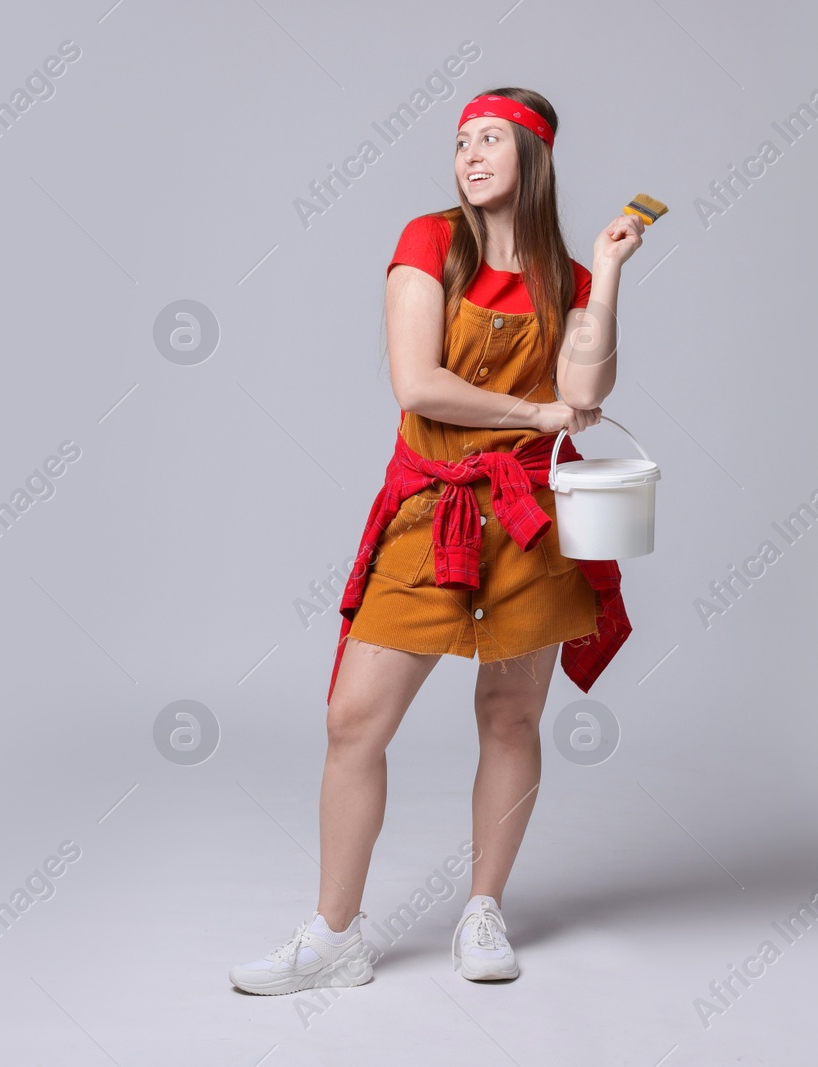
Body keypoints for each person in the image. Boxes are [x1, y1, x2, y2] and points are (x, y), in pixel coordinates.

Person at [229, 87, 646, 995]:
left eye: (490, 139)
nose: (470, 155)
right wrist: (533, 411)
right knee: (353, 721)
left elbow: (588, 388)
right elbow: (417, 385)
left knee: (510, 716)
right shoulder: (431, 243)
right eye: (461, 142)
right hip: (434, 507)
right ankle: (336, 933)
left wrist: (608, 274)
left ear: (533, 158)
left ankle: (483, 910)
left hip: (530, 521)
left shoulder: (566, 280)